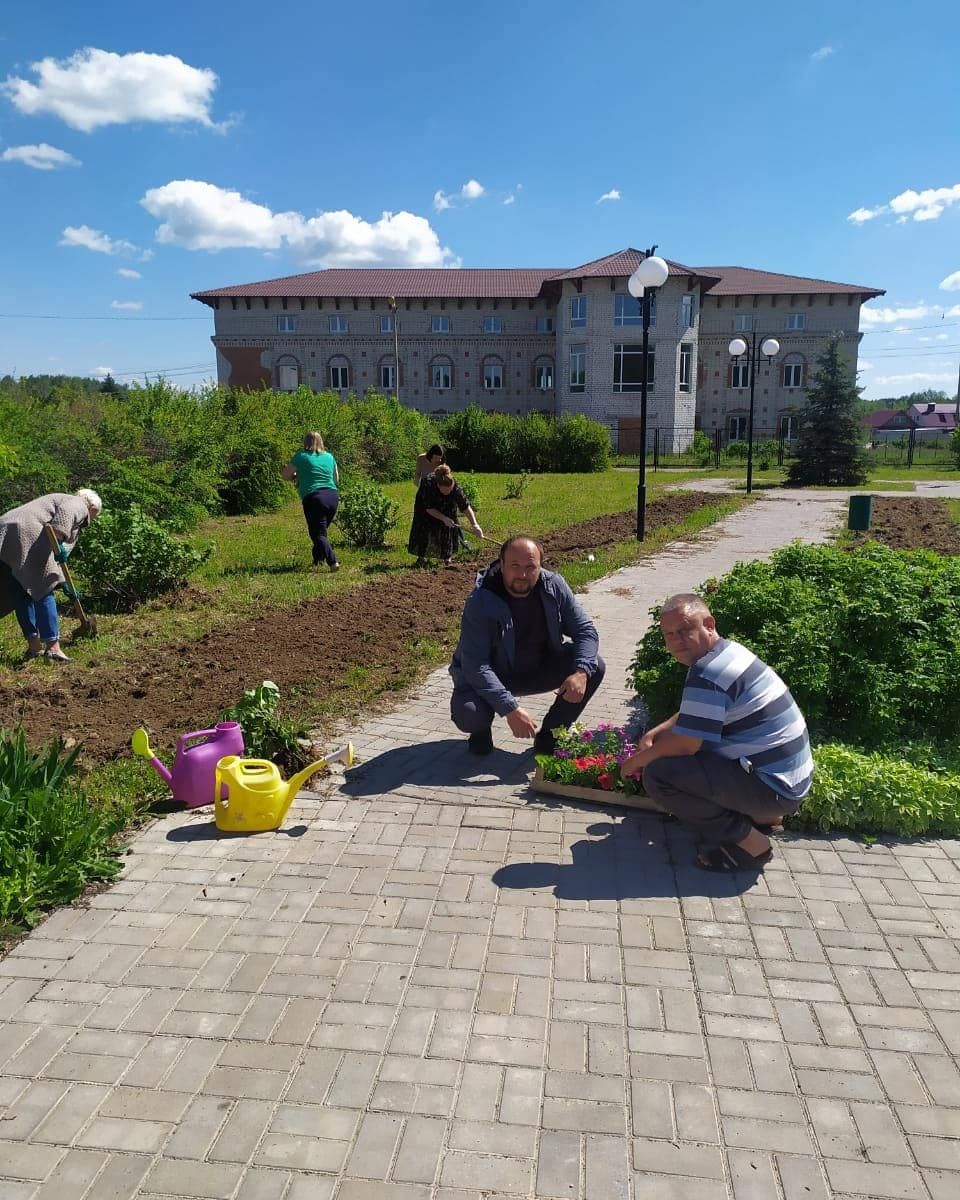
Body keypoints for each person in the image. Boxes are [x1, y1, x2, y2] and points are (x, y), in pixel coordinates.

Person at [620, 593, 813, 873]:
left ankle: (752, 846)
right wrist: (657, 731)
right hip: (785, 780)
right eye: (669, 634)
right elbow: (698, 713)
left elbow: (686, 745)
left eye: (685, 630)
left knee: (660, 774)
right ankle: (765, 817)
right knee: (672, 750)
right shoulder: (728, 652)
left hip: (776, 788)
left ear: (709, 624)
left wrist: (636, 762)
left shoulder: (708, 672)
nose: (676, 641)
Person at [450, 535, 605, 755]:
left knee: (593, 667)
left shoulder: (553, 586)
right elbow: (476, 665)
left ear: (540, 566)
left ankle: (549, 737)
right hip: (494, 673)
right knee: (470, 715)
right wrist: (510, 709)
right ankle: (481, 730)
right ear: (501, 565)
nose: (522, 575)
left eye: (530, 567)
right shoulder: (481, 600)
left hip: (538, 667)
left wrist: (581, 672)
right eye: (514, 566)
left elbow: (585, 630)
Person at [0, 488, 102, 663]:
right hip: (27, 532)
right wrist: (54, 578)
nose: (92, 519)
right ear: (91, 506)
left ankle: (34, 646)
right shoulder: (77, 503)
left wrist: (65, 585)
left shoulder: (70, 518)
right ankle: (53, 649)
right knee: (44, 586)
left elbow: (58, 558)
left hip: (5, 528)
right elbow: (58, 528)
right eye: (94, 514)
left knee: (21, 590)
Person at [282, 432, 340, 571]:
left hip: (314, 497)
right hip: (332, 496)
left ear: (305, 442)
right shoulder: (329, 456)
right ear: (321, 442)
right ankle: (318, 559)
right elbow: (336, 478)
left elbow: (286, 475)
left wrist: (296, 475)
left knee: (317, 533)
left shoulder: (301, 456)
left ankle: (333, 562)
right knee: (321, 531)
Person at [407, 464, 482, 567]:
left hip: (447, 507)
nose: (449, 492)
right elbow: (429, 508)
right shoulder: (428, 484)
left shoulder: (455, 487)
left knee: (448, 526)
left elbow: (465, 506)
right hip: (426, 509)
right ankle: (422, 558)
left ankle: (447, 557)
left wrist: (475, 525)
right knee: (424, 528)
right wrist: (443, 518)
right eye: (445, 490)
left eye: (450, 490)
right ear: (438, 486)